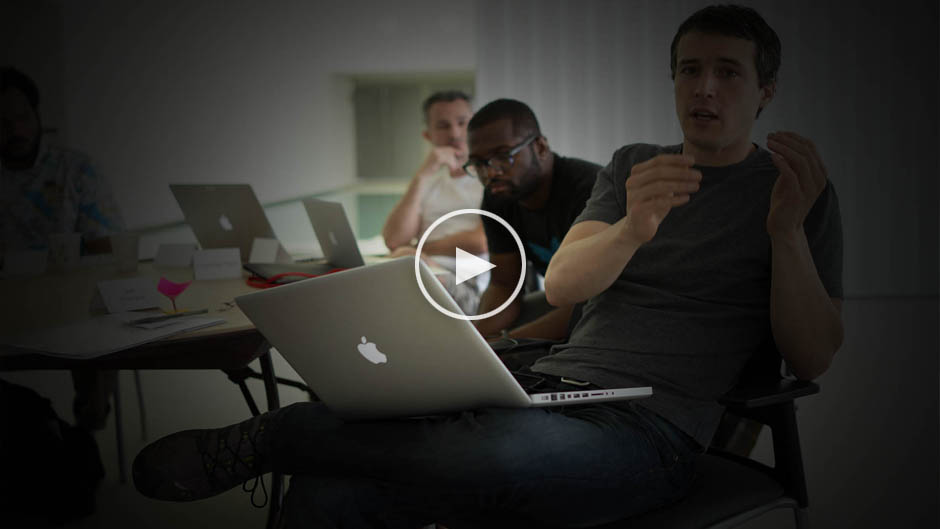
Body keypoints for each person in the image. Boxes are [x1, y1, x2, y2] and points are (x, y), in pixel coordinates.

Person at [131, 5, 843, 527]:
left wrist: (785, 232)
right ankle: (300, 443)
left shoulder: (794, 190)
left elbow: (812, 356)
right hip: (547, 387)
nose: (705, 88)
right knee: (332, 492)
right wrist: (633, 228)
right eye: (690, 69)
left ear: (765, 89)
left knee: (487, 450)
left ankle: (272, 435)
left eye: (728, 72)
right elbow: (563, 283)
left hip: (652, 430)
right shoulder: (633, 165)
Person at [1, 66, 125, 431]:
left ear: (37, 115)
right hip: (7, 300)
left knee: (99, 311)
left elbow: (109, 246)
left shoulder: (75, 169)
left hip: (73, 298)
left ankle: (87, 421)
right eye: (2, 122)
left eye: (22, 118)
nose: (15, 130)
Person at [465, 99, 602, 340]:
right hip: (570, 303)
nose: (490, 173)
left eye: (503, 156)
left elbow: (592, 301)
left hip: (622, 304)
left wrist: (506, 346)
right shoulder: (498, 197)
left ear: (540, 147)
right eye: (479, 164)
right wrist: (476, 343)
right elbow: (504, 285)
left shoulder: (591, 189)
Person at [382, 90, 487, 315]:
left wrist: (417, 250)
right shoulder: (429, 182)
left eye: (462, 123)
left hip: (468, 285)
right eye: (443, 126)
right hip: (422, 271)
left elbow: (480, 241)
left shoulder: (490, 178)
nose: (455, 133)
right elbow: (394, 239)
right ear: (428, 135)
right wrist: (423, 175)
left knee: (403, 265)